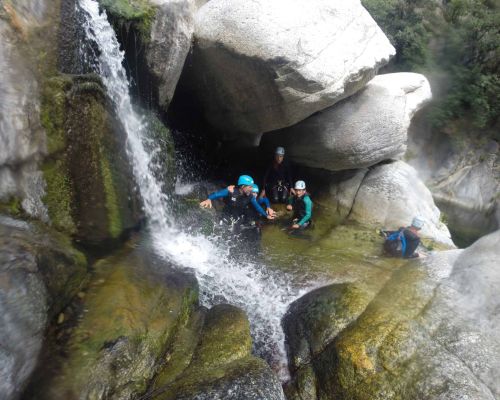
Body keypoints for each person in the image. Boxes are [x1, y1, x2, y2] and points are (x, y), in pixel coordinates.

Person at [200, 175, 274, 229]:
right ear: (243, 186)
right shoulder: (231, 191)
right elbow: (217, 194)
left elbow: (257, 207)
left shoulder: (250, 196)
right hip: (226, 216)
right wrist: (209, 199)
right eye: (250, 187)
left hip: (237, 218)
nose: (251, 189)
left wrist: (266, 215)